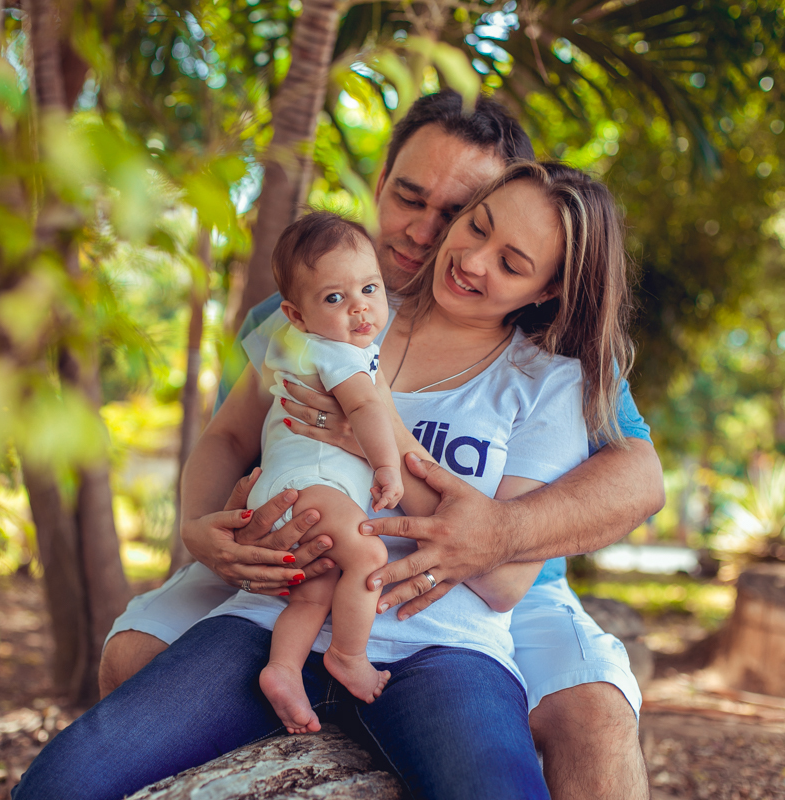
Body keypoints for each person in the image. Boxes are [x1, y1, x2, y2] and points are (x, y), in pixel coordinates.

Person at [100, 91, 663, 800]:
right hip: (307, 546)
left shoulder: (551, 356)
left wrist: (500, 532)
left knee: (592, 715)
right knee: (133, 655)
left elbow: (640, 477)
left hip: (499, 591)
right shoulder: (296, 316)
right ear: (379, 181)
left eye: (456, 211)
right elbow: (234, 440)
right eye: (410, 196)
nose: (428, 234)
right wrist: (207, 531)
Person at [252, 211, 401, 732]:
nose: (360, 306)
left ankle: (283, 669)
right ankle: (347, 655)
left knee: (317, 587)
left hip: (288, 495)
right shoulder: (336, 352)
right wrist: (387, 466)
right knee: (369, 554)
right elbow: (364, 410)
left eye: (369, 288)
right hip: (309, 488)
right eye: (335, 298)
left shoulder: (306, 345)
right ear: (296, 314)